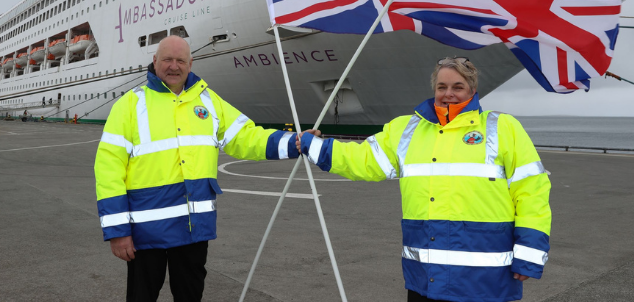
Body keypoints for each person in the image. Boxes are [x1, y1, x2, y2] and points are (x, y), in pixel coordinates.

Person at [298, 57, 551, 302]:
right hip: (426, 278)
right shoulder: (406, 129)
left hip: (485, 279)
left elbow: (532, 191)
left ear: (472, 90)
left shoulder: (503, 128)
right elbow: (362, 158)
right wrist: (315, 146)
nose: (448, 93)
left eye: (457, 86)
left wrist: (529, 254)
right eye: (442, 87)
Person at [94, 36, 299, 301]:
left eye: (180, 60)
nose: (174, 66)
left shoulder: (209, 102)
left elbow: (247, 137)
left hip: (193, 229)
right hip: (145, 232)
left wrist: (293, 143)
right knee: (141, 296)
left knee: (190, 295)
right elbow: (109, 169)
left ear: (191, 63)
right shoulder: (130, 105)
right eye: (167, 59)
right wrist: (118, 231)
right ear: (155, 61)